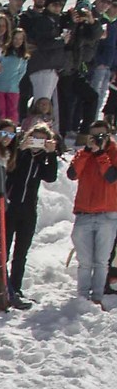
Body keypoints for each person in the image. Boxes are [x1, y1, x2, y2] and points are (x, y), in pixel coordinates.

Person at [69, 118, 117, 307]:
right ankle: (82, 298)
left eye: (101, 136)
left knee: (101, 260)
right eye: (94, 136)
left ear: (108, 135)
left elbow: (112, 177)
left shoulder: (114, 153)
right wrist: (88, 153)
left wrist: (101, 155)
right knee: (84, 261)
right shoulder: (83, 154)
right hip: (84, 213)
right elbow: (72, 174)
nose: (97, 139)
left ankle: (97, 297)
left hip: (107, 214)